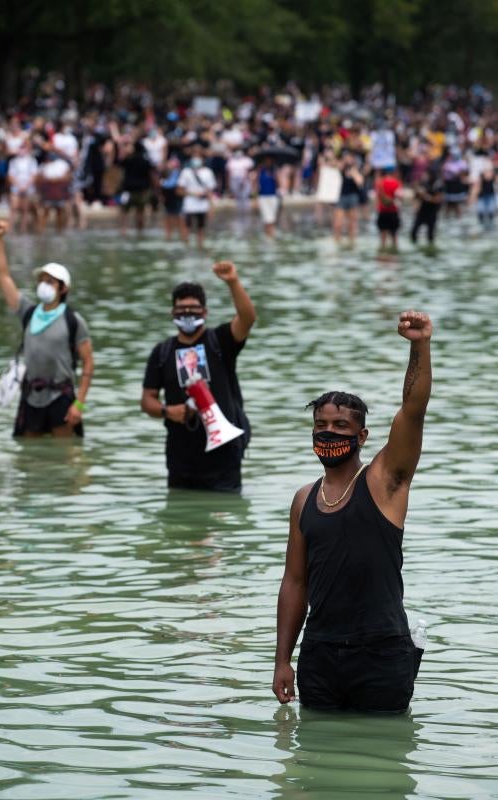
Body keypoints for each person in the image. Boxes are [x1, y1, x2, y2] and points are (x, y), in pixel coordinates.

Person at [273, 310, 432, 713]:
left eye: (341, 426)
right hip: (320, 655)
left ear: (361, 436)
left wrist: (419, 345)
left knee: (382, 764)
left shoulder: (384, 480)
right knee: (315, 765)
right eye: (322, 424)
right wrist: (282, 660)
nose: (330, 433)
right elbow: (294, 582)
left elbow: (412, 410)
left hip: (382, 654)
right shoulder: (304, 499)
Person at [141, 261, 256, 492]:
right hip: (180, 458)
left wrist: (233, 282)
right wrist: (167, 411)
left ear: (205, 312)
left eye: (193, 310)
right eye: (181, 310)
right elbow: (147, 400)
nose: (187, 315)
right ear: (172, 313)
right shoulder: (162, 352)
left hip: (223, 458)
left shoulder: (220, 342)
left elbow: (247, 318)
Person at [0, 219, 94, 437]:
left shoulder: (73, 321)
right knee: (29, 459)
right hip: (30, 396)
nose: (44, 285)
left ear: (63, 288)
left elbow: (88, 363)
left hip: (62, 398)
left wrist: (80, 405)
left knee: (68, 458)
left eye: (50, 281)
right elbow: (3, 277)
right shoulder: (28, 312)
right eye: (42, 280)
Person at [177, 145, 216, 248]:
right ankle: (186, 246)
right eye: (194, 155)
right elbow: (179, 191)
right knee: (186, 226)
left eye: (199, 155)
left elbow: (210, 192)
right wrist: (193, 194)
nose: (196, 158)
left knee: (201, 228)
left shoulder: (208, 172)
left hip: (202, 206)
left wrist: (211, 207)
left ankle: (200, 247)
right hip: (189, 205)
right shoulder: (186, 172)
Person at [411, 169, 443, 246]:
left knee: (430, 234)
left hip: (432, 211)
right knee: (414, 231)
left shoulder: (438, 184)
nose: (425, 176)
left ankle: (430, 247)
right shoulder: (423, 183)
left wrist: (426, 197)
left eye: (427, 174)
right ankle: (414, 245)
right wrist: (415, 206)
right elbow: (416, 197)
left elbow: (438, 199)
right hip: (422, 211)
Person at [375, 168, 403, 251]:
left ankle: (383, 250)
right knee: (394, 235)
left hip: (382, 211)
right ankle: (395, 250)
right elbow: (400, 198)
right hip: (393, 211)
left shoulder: (379, 183)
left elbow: (378, 197)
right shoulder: (397, 183)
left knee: (383, 236)